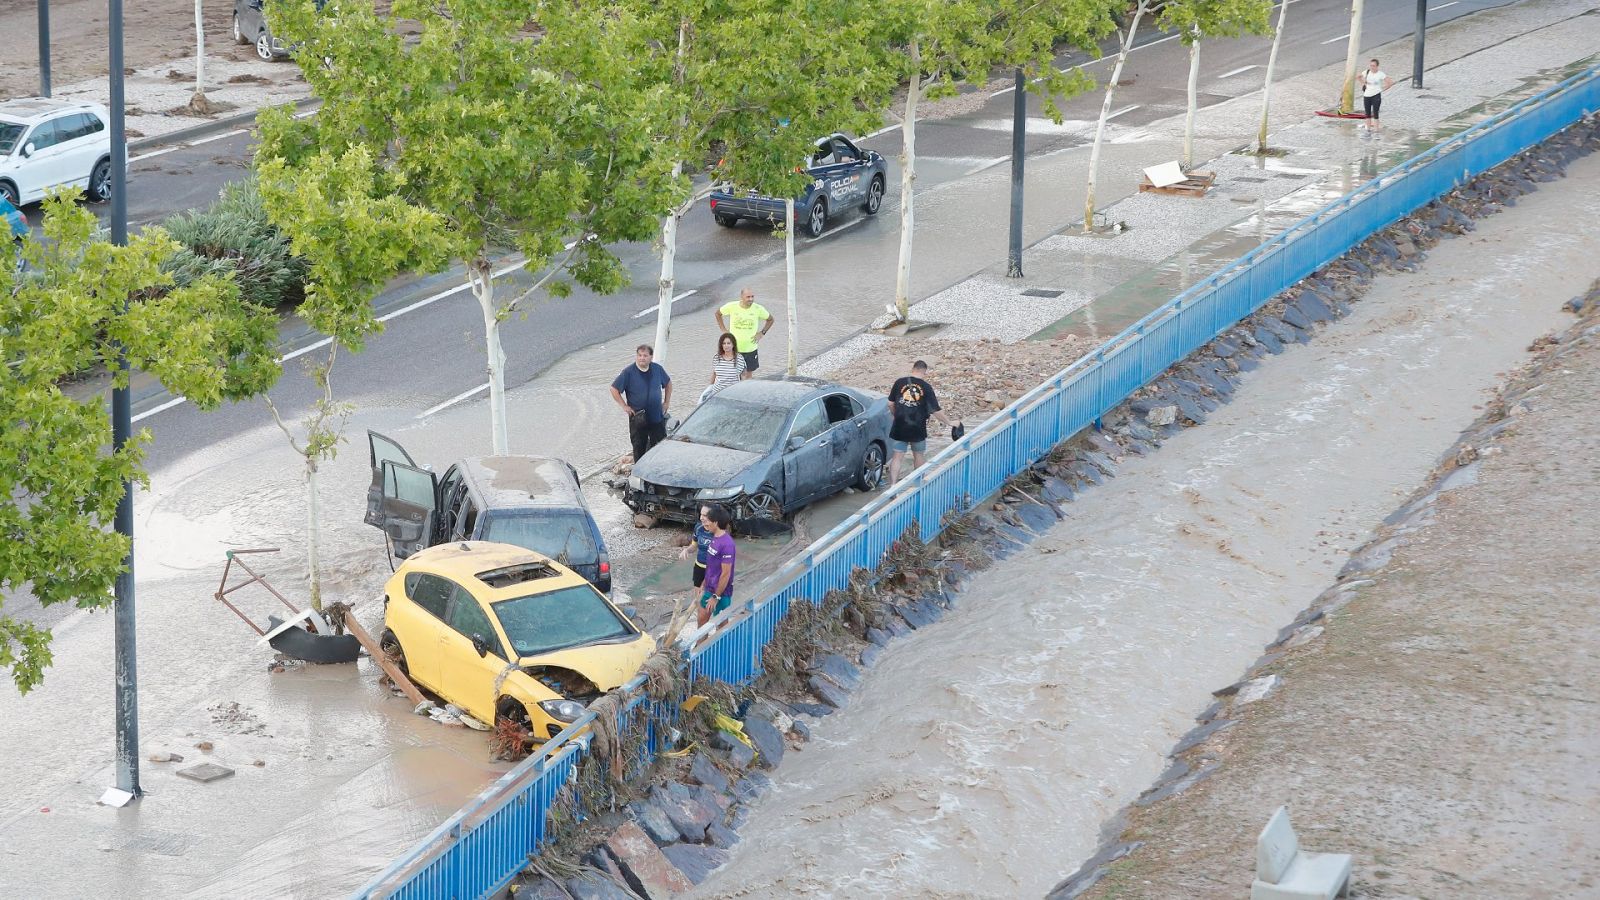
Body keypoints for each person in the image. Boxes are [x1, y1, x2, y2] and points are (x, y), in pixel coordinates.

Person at [886, 360, 960, 487]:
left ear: (913, 368)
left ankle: (892, 486)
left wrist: (895, 416)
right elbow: (936, 410)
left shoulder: (899, 382)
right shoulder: (926, 387)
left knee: (897, 456)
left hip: (900, 425)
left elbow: (890, 403)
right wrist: (949, 422)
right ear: (924, 372)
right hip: (917, 426)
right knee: (918, 455)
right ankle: (918, 484)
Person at [609, 344, 672, 465]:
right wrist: (624, 406)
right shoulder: (628, 372)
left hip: (656, 416)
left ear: (651, 357)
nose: (642, 358)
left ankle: (657, 472)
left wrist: (666, 402)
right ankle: (640, 475)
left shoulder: (657, 369)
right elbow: (614, 389)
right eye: (639, 355)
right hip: (638, 417)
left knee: (659, 447)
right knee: (639, 447)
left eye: (645, 355)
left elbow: (668, 383)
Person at [714, 288, 772, 377]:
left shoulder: (758, 308)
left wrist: (762, 333)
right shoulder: (732, 306)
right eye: (748, 297)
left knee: (749, 373)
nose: (751, 299)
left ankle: (747, 390)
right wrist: (723, 330)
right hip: (734, 348)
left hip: (750, 348)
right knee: (734, 373)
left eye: (752, 297)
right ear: (741, 297)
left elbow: (770, 319)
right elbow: (718, 313)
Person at [697, 504, 736, 628]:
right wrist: (703, 583)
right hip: (709, 588)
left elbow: (726, 574)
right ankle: (700, 647)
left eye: (708, 520)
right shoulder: (714, 538)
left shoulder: (727, 544)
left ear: (716, 522)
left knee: (721, 625)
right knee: (701, 621)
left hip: (721, 594)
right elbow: (711, 565)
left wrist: (716, 597)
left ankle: (721, 646)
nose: (705, 523)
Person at [701, 332, 747, 403]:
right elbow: (714, 373)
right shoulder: (717, 357)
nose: (726, 346)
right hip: (717, 394)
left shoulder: (739, 359)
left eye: (728, 343)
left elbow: (743, 376)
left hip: (733, 394)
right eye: (724, 343)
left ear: (733, 345)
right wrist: (709, 387)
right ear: (721, 345)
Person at [678, 505, 714, 591]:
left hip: (713, 569)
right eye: (701, 514)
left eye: (705, 515)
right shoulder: (698, 528)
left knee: (709, 598)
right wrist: (686, 550)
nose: (701, 518)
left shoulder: (718, 532)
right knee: (697, 597)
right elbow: (694, 546)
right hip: (699, 567)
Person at [1360, 58, 1394, 134]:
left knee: (1375, 113)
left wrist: (1383, 88)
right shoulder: (1366, 72)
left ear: (1377, 66)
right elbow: (1358, 77)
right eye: (1371, 65)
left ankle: (1376, 130)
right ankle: (1368, 130)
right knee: (1367, 113)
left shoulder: (1380, 74)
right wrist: (1363, 83)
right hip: (1367, 95)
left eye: (1374, 66)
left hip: (1376, 95)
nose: (1372, 67)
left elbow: (1390, 82)